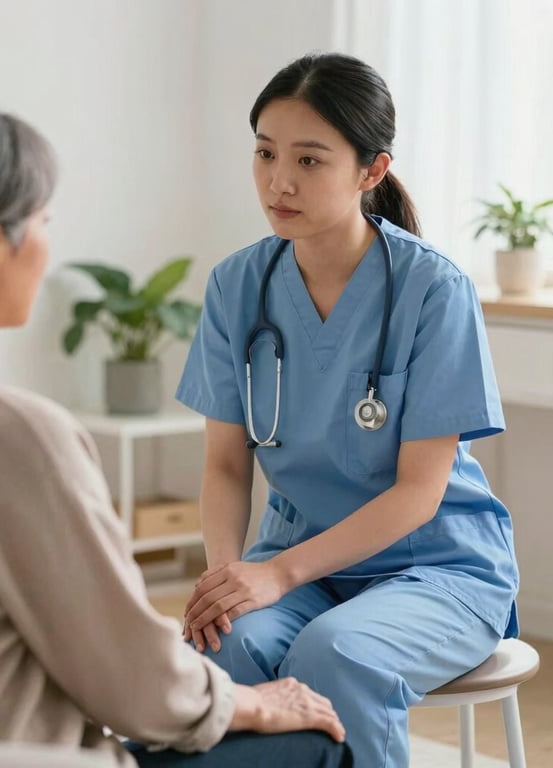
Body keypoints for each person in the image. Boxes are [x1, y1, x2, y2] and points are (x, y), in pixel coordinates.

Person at [0, 94, 352, 768]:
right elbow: (139, 690)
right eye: (43, 220)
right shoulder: (16, 439)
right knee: (314, 742)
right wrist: (260, 702)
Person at [176, 52, 520, 768]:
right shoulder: (237, 286)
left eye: (309, 159)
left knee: (339, 651)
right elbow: (223, 463)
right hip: (303, 559)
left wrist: (277, 576)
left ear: (371, 171)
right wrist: (227, 579)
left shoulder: (433, 290)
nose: (279, 180)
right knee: (227, 641)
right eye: (266, 153)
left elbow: (420, 494)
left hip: (436, 568)